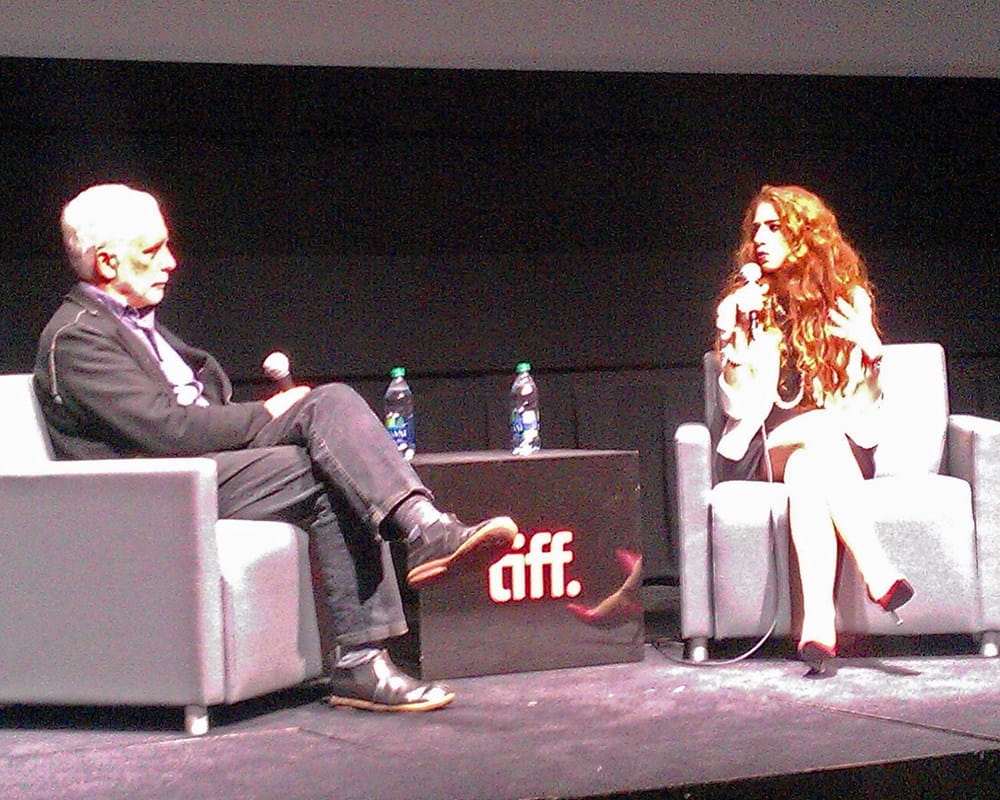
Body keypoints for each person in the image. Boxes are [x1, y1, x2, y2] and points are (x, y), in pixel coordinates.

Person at [34, 183, 519, 711]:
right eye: (152, 251)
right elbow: (166, 430)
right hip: (154, 488)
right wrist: (266, 415)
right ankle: (410, 561)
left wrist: (269, 415)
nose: (170, 262)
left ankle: (418, 546)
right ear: (106, 262)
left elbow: (190, 417)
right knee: (324, 453)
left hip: (202, 467)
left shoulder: (134, 327)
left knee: (329, 413)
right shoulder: (77, 338)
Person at [713, 184, 913, 676]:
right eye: (755, 228)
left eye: (774, 227)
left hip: (835, 447)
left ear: (805, 235)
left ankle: (818, 623)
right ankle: (876, 567)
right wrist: (733, 352)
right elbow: (736, 405)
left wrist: (870, 354)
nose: (760, 236)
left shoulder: (848, 300)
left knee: (809, 469)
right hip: (765, 444)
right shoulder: (748, 305)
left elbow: (863, 409)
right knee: (813, 437)